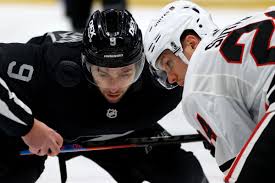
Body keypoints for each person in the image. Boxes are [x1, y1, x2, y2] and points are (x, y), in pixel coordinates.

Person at [0, 9, 208, 183]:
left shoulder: (165, 74)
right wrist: (25, 126)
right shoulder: (49, 66)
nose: (114, 86)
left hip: (125, 130)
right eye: (102, 73)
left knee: (185, 175)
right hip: (41, 126)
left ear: (143, 64)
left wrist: (218, 124)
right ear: (85, 65)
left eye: (126, 73)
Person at [144, 0, 275, 182]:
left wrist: (219, 142)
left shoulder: (197, 81)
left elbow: (242, 163)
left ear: (191, 44)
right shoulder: (247, 24)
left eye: (168, 64)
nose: (171, 78)